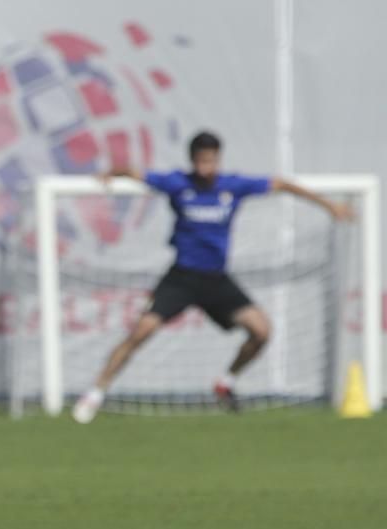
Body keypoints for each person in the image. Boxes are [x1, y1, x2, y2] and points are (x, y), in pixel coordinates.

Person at [72, 131, 352, 424]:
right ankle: (95, 392)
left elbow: (281, 184)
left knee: (262, 331)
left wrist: (329, 205)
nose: (206, 167)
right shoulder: (178, 183)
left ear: (218, 160)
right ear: (192, 160)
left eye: (211, 161)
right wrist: (112, 172)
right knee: (140, 332)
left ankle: (226, 382)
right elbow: (134, 172)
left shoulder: (233, 186)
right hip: (181, 278)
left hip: (216, 280)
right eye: (201, 161)